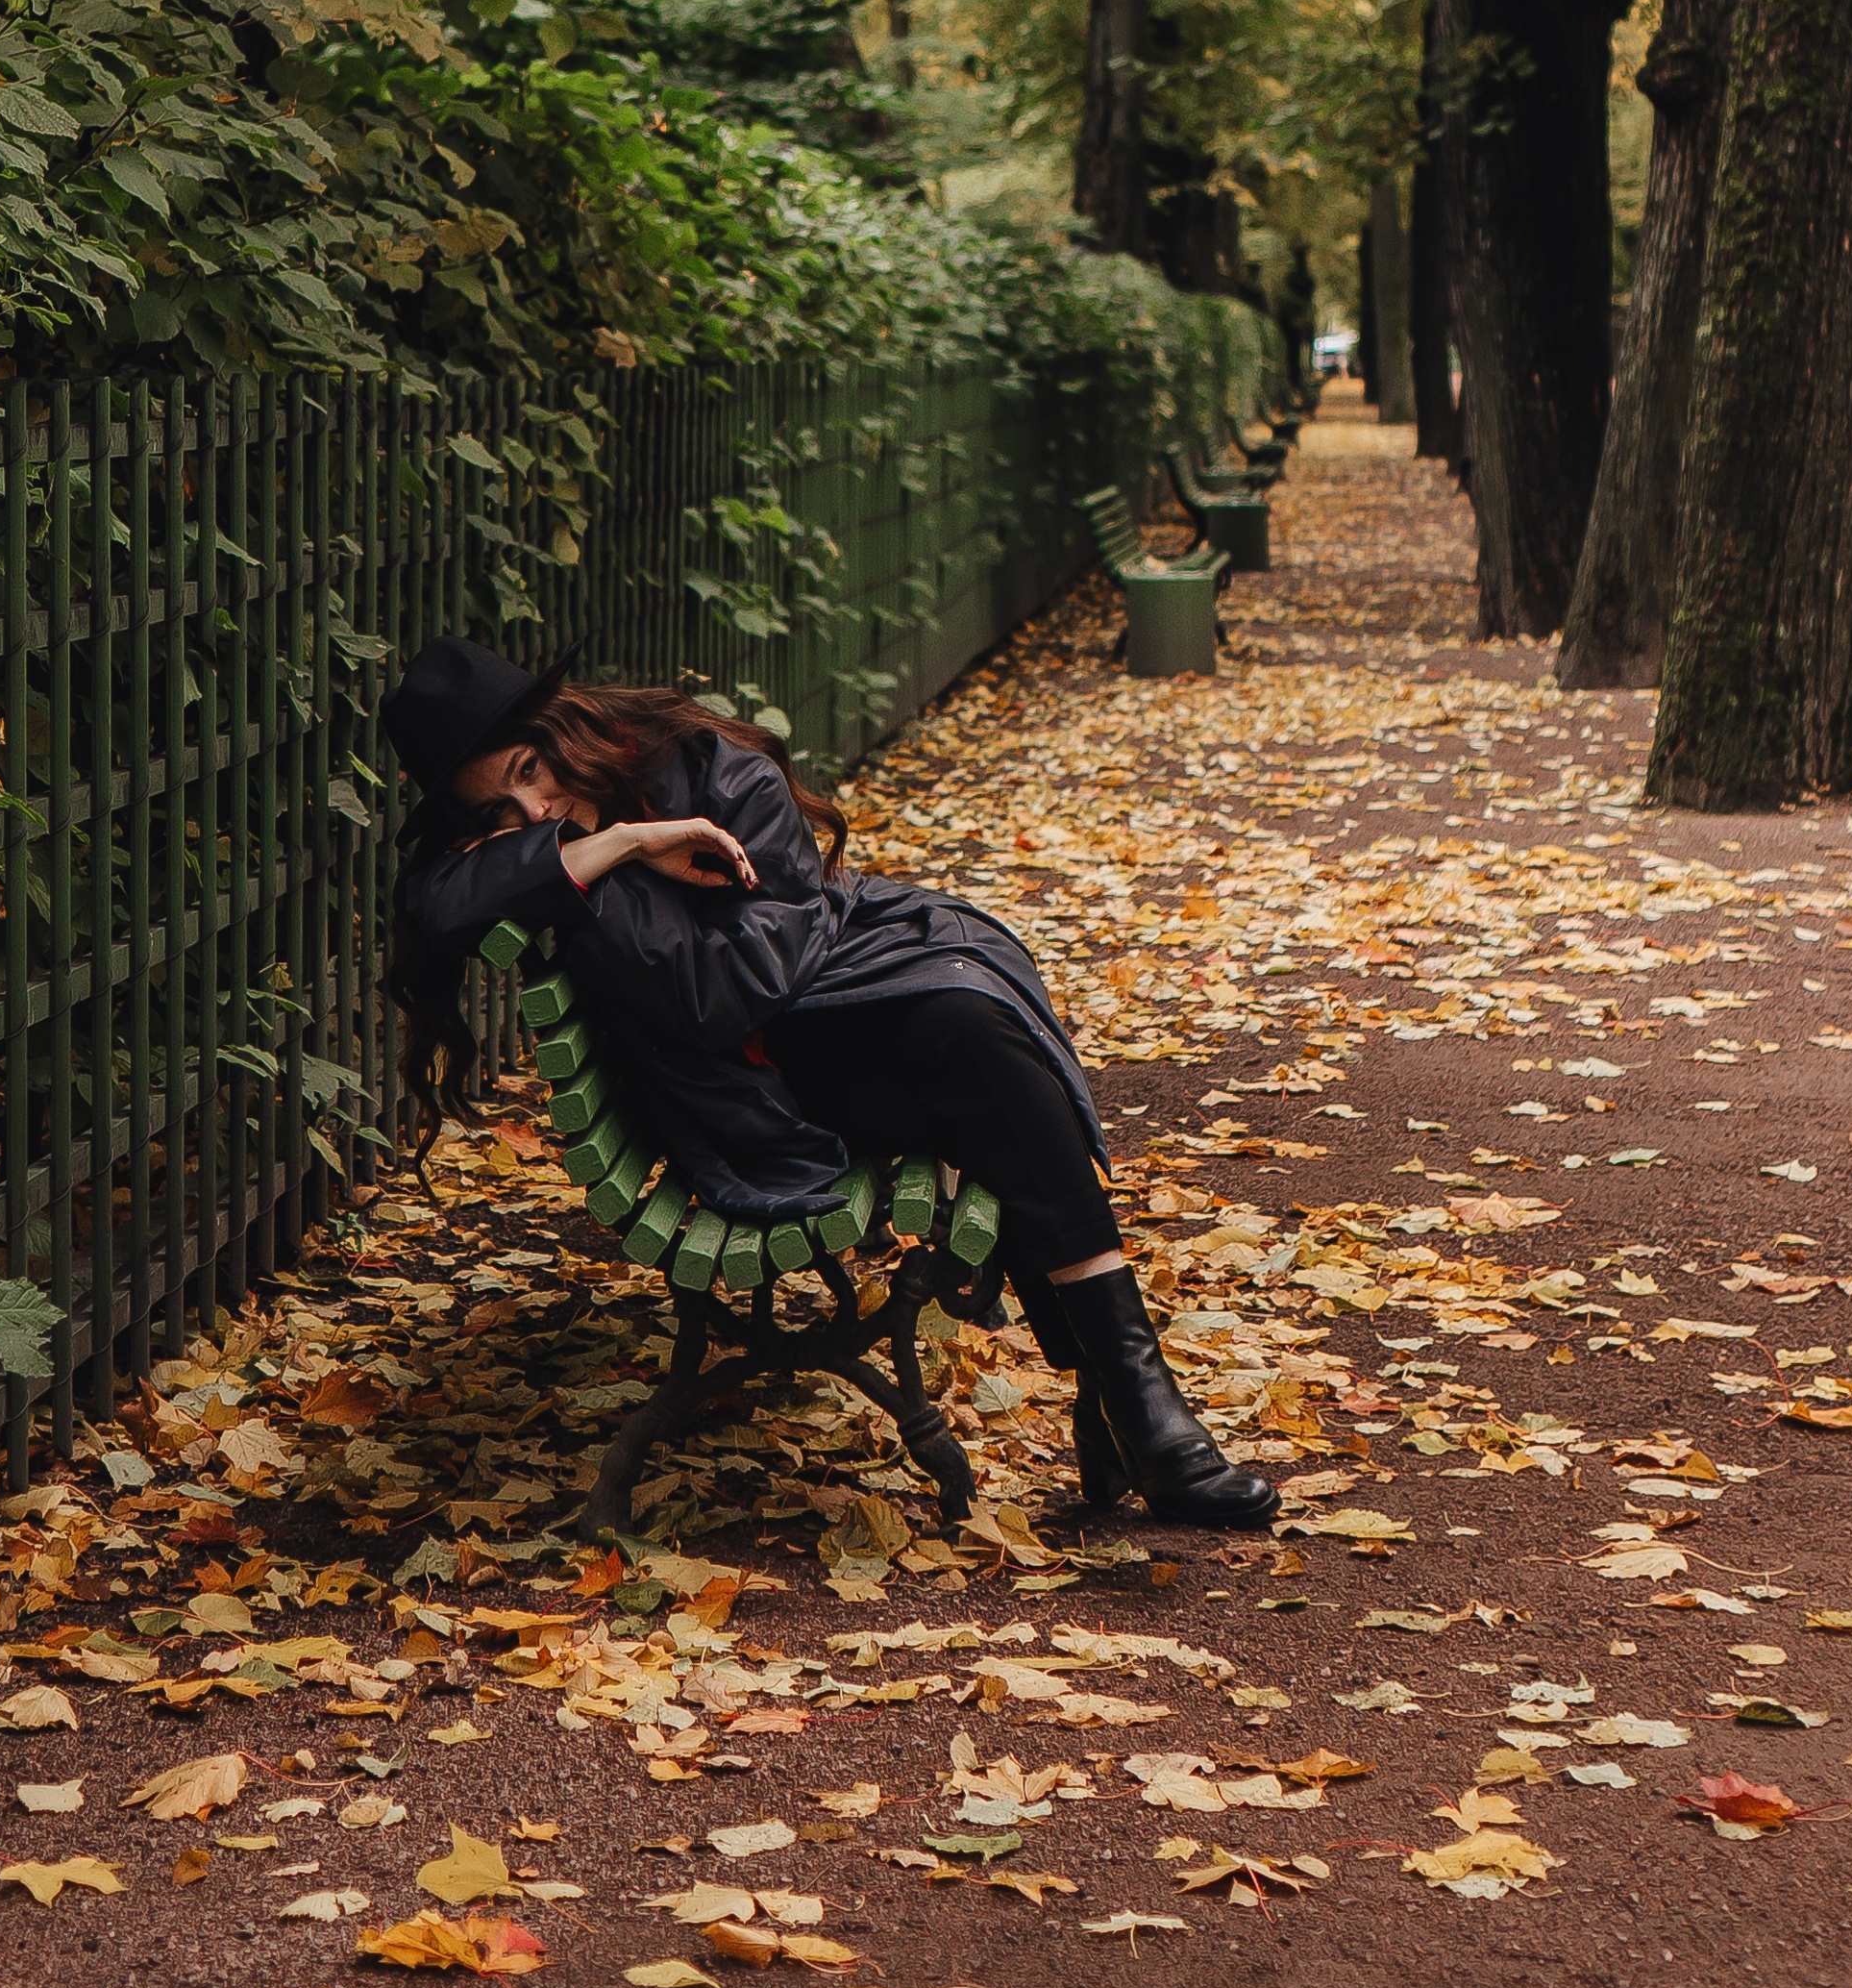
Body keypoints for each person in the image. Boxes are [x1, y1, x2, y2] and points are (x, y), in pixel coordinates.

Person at [383, 635, 1276, 1535]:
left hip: (822, 1036)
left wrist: (586, 860)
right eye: (501, 811)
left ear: (565, 725)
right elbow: (456, 911)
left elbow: (758, 972)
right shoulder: (581, 849)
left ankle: (1126, 1396)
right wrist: (621, 844)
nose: (536, 811)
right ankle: (1134, 1408)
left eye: (534, 772)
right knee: (984, 1072)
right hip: (755, 1103)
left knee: (975, 1038)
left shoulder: (717, 770)